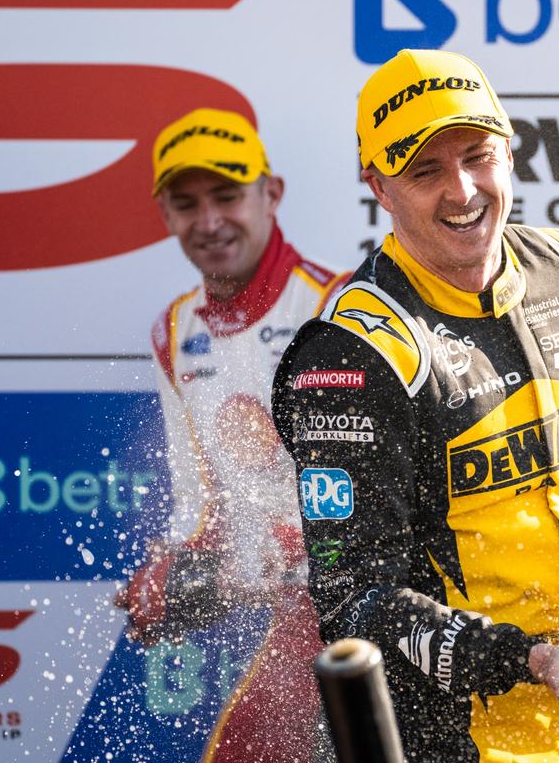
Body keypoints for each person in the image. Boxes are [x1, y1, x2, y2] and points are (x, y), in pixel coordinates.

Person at [271, 50, 559, 762]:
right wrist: (529, 660)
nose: (463, 191)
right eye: (426, 171)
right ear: (380, 186)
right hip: (457, 742)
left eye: (479, 157)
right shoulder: (354, 355)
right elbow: (354, 604)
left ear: (509, 151)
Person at [115, 107, 348, 762]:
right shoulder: (174, 330)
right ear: (165, 215)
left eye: (227, 196)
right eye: (186, 204)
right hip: (289, 602)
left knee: (249, 748)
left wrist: (306, 549)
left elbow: (385, 483)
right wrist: (171, 567)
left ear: (270, 194)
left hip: (364, 592)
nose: (209, 221)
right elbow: (202, 498)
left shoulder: (339, 305)